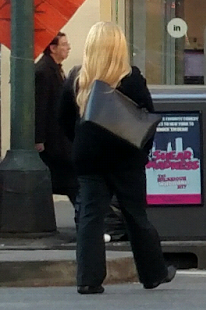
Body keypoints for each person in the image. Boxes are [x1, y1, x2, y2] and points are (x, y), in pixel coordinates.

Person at [59, 22, 175, 295]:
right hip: (125, 158)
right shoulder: (131, 78)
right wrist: (142, 153)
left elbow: (63, 119)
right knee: (135, 215)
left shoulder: (78, 78)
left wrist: (81, 142)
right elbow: (147, 118)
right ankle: (152, 273)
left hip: (89, 160)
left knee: (90, 217)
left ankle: (88, 279)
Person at [35, 32, 75, 208]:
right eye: (64, 44)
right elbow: (40, 107)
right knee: (69, 181)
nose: (68, 48)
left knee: (68, 180)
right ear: (53, 48)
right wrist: (39, 138)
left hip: (59, 136)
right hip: (52, 139)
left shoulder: (55, 68)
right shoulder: (44, 71)